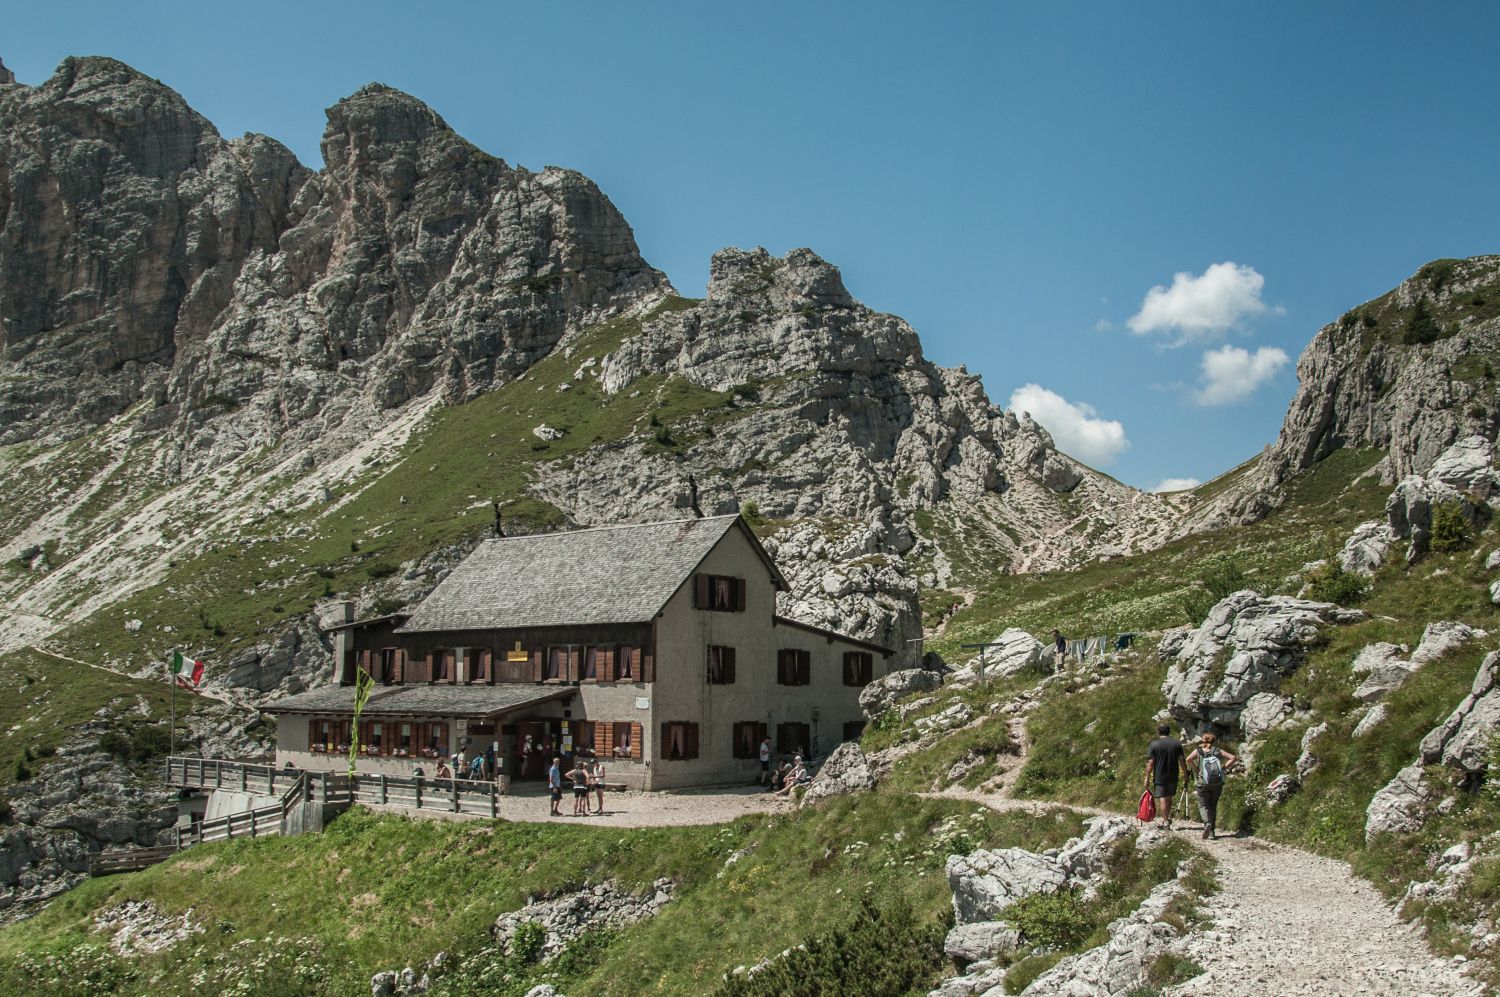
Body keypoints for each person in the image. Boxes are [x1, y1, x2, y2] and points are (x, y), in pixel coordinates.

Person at [1186, 732, 1239, 840]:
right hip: (1217, 782)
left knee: (1203, 805)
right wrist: (1223, 769)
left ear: (1203, 740)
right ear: (1213, 740)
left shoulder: (1198, 750)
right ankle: (1212, 832)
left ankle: (1207, 823)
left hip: (1202, 782)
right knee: (1212, 805)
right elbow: (1233, 757)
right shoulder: (1217, 750)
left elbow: (1188, 759)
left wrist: (1197, 770)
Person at [1144, 723, 1188, 829]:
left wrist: (1147, 777)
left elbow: (1151, 762)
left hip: (1160, 775)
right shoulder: (1177, 744)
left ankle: (1165, 821)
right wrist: (1185, 774)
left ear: (1159, 732)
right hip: (1173, 774)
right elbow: (1182, 760)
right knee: (1169, 797)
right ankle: (1166, 818)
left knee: (1162, 798)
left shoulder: (1154, 744)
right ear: (1169, 731)